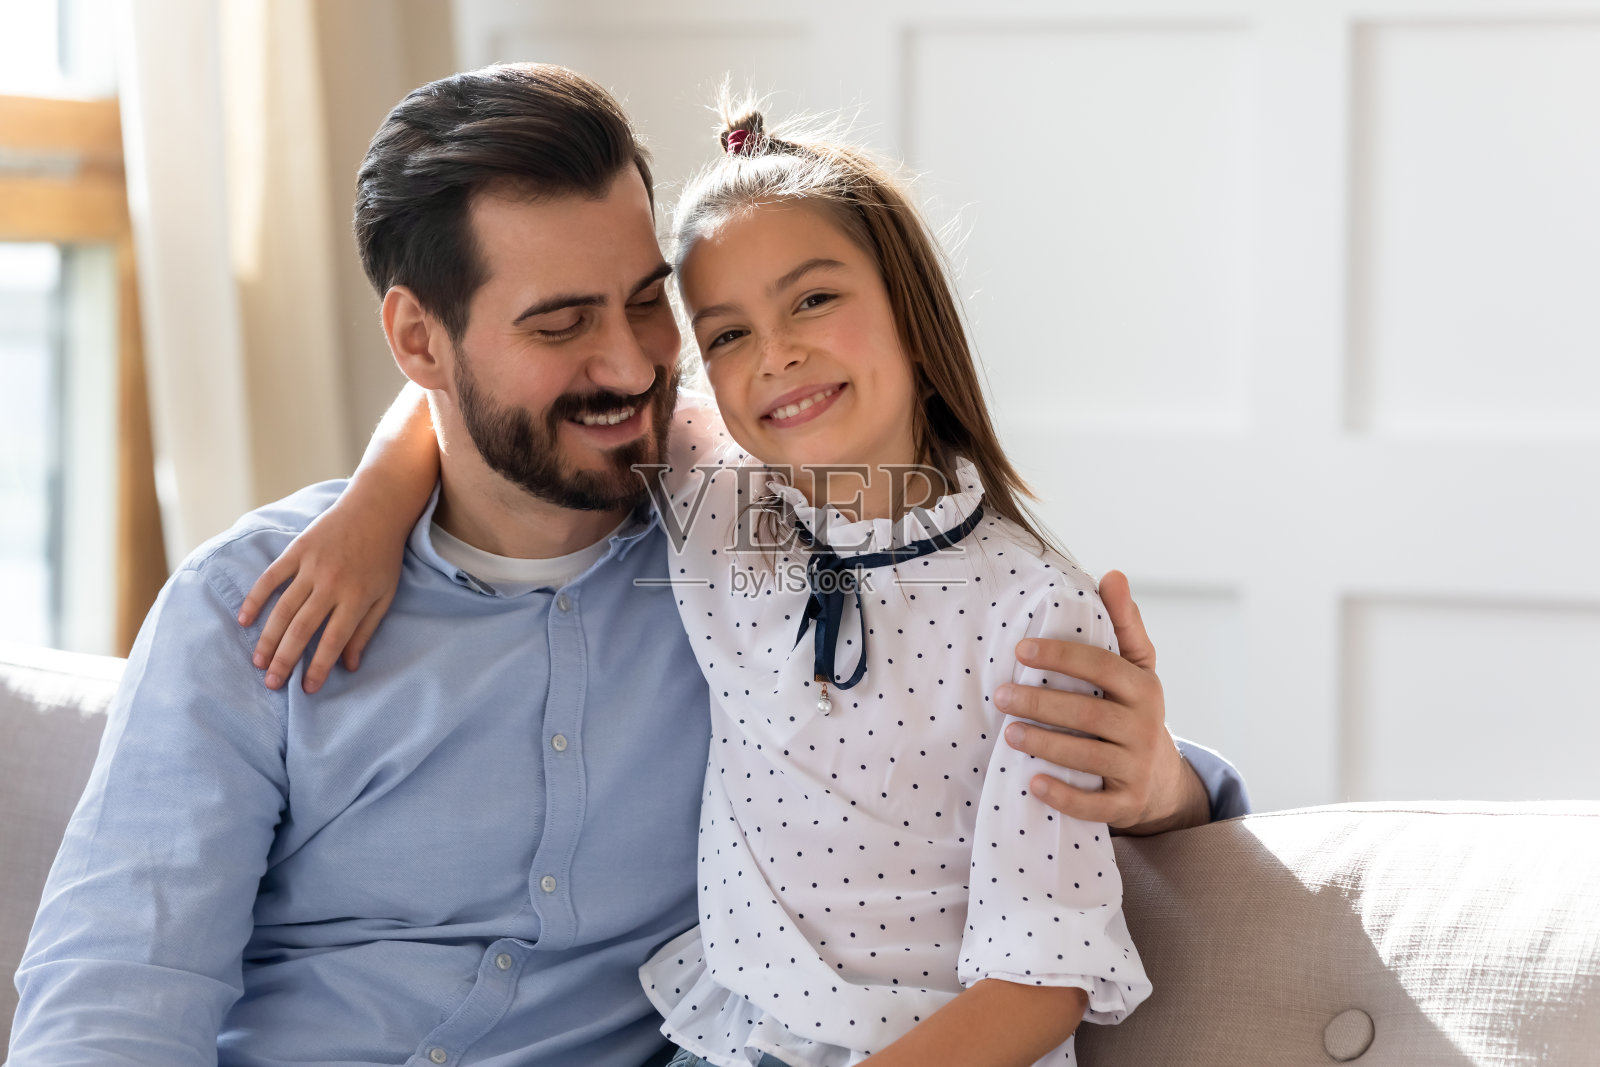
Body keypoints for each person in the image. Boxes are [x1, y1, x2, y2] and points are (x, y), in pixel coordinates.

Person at [8, 65, 1246, 1067]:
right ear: (415, 340)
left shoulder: (736, 537)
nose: (635, 366)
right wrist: (381, 495)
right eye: (559, 324)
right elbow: (120, 983)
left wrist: (1159, 783)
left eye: (648, 304)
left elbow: (958, 719)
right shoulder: (258, 604)